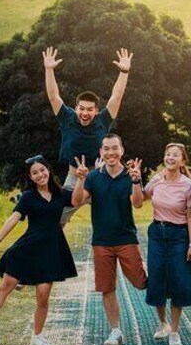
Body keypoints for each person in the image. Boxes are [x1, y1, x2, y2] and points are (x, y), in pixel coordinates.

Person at [0, 155, 78, 345]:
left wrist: (82, 177)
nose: (40, 175)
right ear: (30, 177)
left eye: (42, 170)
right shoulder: (28, 197)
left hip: (51, 250)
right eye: (35, 173)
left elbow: (78, 199)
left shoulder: (61, 194)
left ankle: (37, 336)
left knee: (43, 296)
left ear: (48, 170)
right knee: (6, 286)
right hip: (27, 248)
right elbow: (14, 218)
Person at [72, 134, 148, 345]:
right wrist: (80, 179)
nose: (110, 153)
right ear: (101, 152)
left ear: (122, 151)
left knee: (140, 282)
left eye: (114, 148)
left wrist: (135, 181)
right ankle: (115, 331)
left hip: (126, 239)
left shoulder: (131, 175)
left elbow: (138, 203)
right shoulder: (94, 177)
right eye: (106, 149)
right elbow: (76, 201)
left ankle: (162, 310)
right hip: (101, 241)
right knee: (107, 287)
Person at [43, 46, 132, 227]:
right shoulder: (67, 117)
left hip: (100, 176)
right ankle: (49, 253)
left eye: (90, 109)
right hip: (74, 178)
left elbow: (117, 96)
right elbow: (53, 96)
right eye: (81, 108)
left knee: (115, 221)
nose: (85, 113)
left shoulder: (103, 120)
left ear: (96, 110)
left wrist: (124, 71)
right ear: (76, 108)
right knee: (55, 221)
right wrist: (49, 69)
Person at [134, 143, 191, 345]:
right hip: (157, 234)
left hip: (179, 235)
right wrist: (136, 180)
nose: (170, 158)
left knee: (178, 280)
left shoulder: (188, 185)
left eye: (175, 155)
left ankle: (175, 330)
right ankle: (162, 323)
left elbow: (190, 216)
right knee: (157, 277)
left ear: (182, 160)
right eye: (168, 154)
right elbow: (138, 201)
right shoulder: (157, 179)